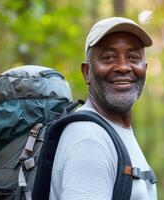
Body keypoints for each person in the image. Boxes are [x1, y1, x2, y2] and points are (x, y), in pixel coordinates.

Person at [49, 17, 157, 199]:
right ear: (87, 72)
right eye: (108, 57)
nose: (123, 67)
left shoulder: (115, 130)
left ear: (144, 68)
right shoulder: (89, 139)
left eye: (133, 57)